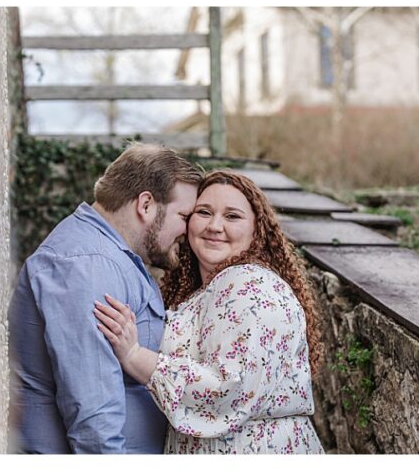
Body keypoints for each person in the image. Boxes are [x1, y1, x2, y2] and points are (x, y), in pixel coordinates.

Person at [94, 169, 325, 454]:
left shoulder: (249, 284)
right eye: (204, 212)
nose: (215, 226)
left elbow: (228, 388)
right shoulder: (207, 289)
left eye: (232, 216)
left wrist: (135, 357)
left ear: (257, 230)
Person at [8, 142, 201, 453]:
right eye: (184, 215)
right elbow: (92, 415)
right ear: (146, 205)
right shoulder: (90, 264)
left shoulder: (112, 256)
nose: (189, 229)